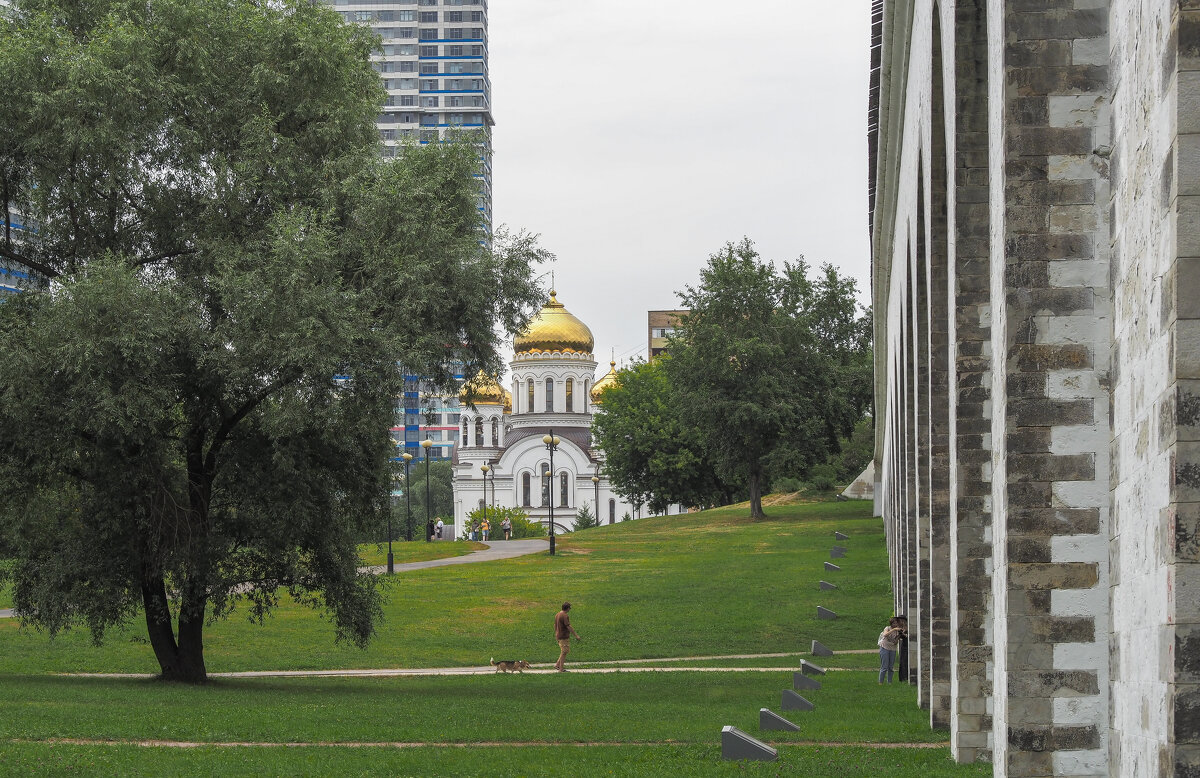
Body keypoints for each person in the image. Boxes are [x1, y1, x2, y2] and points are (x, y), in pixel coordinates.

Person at [554, 601, 581, 672]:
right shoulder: (565, 616)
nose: (570, 609)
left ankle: (557, 665)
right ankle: (561, 668)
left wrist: (556, 632)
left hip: (558, 635)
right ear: (567, 608)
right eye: (570, 608)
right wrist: (576, 635)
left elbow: (555, 625)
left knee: (564, 651)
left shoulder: (557, 614)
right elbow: (568, 626)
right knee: (564, 652)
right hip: (563, 636)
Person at [878, 616, 906, 684]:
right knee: (884, 666)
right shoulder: (887, 628)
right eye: (894, 623)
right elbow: (885, 635)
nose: (895, 625)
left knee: (891, 667)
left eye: (896, 623)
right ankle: (880, 682)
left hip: (892, 649)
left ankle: (889, 682)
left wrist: (899, 635)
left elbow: (895, 642)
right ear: (891, 623)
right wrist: (893, 629)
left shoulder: (898, 631)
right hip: (884, 648)